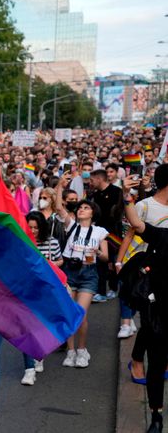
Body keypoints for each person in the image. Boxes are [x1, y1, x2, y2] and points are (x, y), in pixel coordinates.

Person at [122, 175, 167, 433]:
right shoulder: (163, 236)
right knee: (157, 361)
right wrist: (129, 197)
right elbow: (137, 225)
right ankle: (156, 416)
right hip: (158, 306)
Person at [56, 172, 109, 369]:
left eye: (86, 208)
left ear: (92, 213)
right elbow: (59, 207)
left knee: (80, 313)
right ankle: (70, 351)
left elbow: (105, 257)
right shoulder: (71, 226)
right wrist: (61, 185)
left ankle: (82, 349)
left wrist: (97, 251)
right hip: (70, 272)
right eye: (80, 208)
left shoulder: (99, 231)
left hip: (88, 273)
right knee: (70, 312)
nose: (81, 210)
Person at [20, 212, 63, 385]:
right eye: (30, 227)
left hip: (45, 289)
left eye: (36, 227)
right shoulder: (21, 241)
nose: (33, 230)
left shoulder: (51, 242)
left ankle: (40, 353)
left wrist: (48, 264)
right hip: (26, 289)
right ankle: (30, 365)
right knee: (28, 327)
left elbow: (60, 260)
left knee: (42, 325)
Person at [90, 169, 123, 302]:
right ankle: (101, 292)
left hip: (113, 233)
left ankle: (114, 288)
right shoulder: (96, 195)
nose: (90, 183)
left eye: (92, 180)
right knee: (100, 262)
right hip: (99, 233)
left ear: (99, 179)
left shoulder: (116, 192)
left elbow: (118, 213)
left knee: (113, 261)